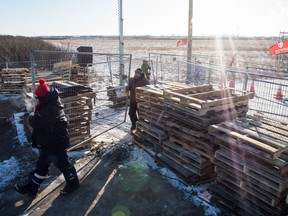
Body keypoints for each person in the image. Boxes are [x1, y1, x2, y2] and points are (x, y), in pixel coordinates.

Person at [15, 78, 80, 198]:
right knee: (41, 166)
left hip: (56, 143)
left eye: (39, 98)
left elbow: (34, 122)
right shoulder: (49, 104)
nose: (37, 100)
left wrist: (31, 116)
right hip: (48, 142)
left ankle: (74, 183)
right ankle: (32, 189)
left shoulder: (50, 109)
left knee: (63, 165)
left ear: (44, 98)